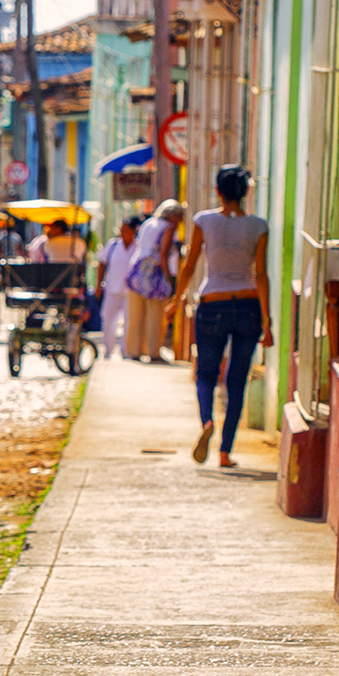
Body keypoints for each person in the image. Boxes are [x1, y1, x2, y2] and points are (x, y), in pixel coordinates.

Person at [176, 166, 271, 467]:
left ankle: (207, 422)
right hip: (247, 305)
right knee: (237, 381)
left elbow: (190, 265)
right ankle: (225, 452)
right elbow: (261, 275)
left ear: (218, 191)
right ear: (246, 193)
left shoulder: (204, 220)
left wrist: (175, 299)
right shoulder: (258, 226)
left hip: (212, 303)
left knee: (205, 373)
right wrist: (267, 323)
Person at [124, 199, 186, 363]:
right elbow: (164, 253)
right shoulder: (168, 228)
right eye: (179, 216)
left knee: (135, 314)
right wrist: (168, 277)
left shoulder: (149, 223)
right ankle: (153, 351)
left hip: (136, 269)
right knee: (155, 315)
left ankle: (134, 350)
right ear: (173, 216)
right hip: (154, 273)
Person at [93, 216, 140, 359]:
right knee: (108, 319)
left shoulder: (138, 247)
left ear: (133, 231)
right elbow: (102, 264)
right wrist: (98, 286)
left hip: (130, 290)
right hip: (112, 287)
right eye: (121, 230)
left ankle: (126, 350)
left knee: (129, 320)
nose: (122, 233)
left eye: (126, 230)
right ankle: (108, 349)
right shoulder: (113, 245)